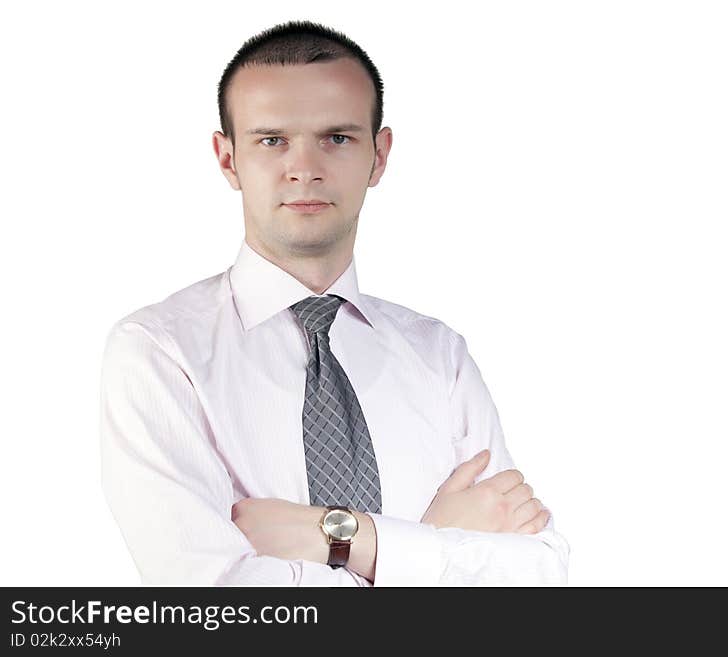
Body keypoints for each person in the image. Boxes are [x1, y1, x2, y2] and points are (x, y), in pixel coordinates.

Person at [99, 19, 570, 586]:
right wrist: (426, 546)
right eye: (271, 140)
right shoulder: (159, 353)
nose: (305, 167)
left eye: (337, 138)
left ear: (379, 155)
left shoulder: (438, 355)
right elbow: (215, 605)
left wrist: (338, 537)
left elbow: (538, 575)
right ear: (227, 159)